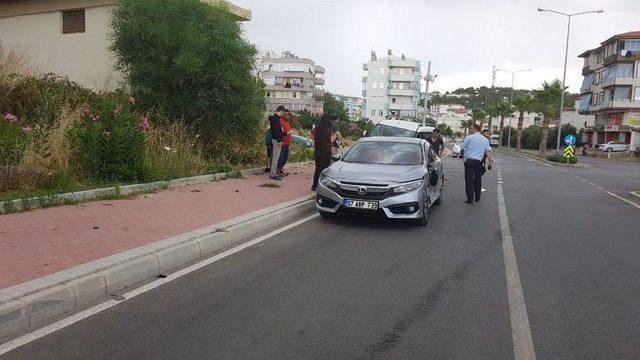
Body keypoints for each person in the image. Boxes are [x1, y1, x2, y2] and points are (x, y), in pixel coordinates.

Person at [461, 124, 493, 204]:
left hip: (469, 161)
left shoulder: (469, 137)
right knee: (478, 179)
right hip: (479, 162)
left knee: (469, 180)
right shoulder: (485, 140)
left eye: (471, 128)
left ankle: (470, 198)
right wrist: (490, 162)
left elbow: (462, 147)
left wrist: (466, 148)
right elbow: (488, 151)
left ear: (475, 129)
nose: (469, 130)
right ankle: (477, 197)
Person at [311, 114, 335, 191]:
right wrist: (334, 136)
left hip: (317, 150)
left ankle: (314, 186)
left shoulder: (317, 127)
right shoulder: (329, 129)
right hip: (326, 151)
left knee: (317, 168)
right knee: (324, 170)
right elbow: (331, 140)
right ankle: (321, 186)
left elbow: (311, 136)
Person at [268, 106, 287, 180]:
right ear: (281, 111)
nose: (283, 115)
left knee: (276, 157)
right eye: (283, 113)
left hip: (276, 139)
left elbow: (278, 131)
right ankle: (272, 174)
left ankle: (274, 173)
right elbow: (276, 132)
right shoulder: (275, 119)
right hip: (276, 140)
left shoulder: (275, 119)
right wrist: (279, 140)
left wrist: (285, 133)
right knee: (275, 158)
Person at [277, 111, 293, 176]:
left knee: (285, 158)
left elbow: (289, 132)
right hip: (283, 142)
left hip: (287, 142)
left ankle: (281, 170)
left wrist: (290, 140)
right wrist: (281, 140)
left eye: (288, 115)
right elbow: (280, 132)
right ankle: (277, 171)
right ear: (283, 114)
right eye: (285, 114)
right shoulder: (280, 121)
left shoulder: (287, 122)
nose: (287, 116)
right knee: (281, 157)